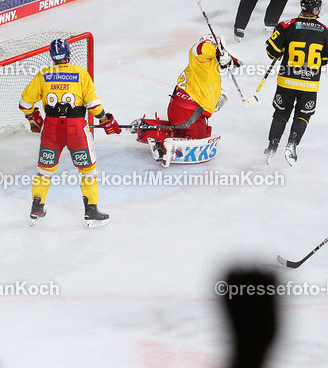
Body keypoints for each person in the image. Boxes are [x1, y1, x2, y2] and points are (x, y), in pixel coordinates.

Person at [18, 38, 120, 227]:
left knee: (44, 171)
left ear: (51, 56)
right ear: (69, 54)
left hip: (51, 129)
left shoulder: (43, 74)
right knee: (88, 171)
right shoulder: (80, 73)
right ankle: (91, 211)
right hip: (76, 131)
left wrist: (33, 116)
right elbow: (94, 106)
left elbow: (24, 104)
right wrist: (106, 120)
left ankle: (36, 209)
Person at [131, 35, 238, 167]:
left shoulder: (209, 66)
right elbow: (200, 49)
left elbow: (235, 62)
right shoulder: (201, 57)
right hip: (189, 113)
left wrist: (229, 60)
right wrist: (215, 49)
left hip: (183, 110)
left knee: (180, 134)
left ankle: (150, 128)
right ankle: (163, 148)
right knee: (197, 143)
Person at [263, 0, 328, 166]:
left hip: (287, 81)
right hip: (309, 84)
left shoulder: (286, 26)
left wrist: (281, 51)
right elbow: (326, 59)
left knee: (281, 113)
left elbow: (271, 52)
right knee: (303, 115)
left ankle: (272, 145)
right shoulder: (326, 31)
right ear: (313, 9)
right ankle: (292, 144)